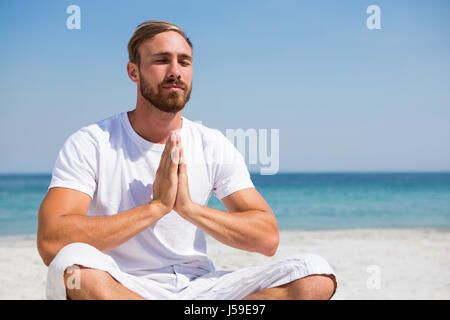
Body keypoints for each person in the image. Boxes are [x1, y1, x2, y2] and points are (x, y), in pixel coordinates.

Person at [37, 20, 337, 300]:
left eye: (184, 61)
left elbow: (267, 239)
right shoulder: (93, 142)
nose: (175, 71)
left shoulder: (211, 143)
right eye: (161, 60)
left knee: (315, 275)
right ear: (133, 72)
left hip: (200, 288)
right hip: (125, 286)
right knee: (72, 267)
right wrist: (156, 208)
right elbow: (52, 241)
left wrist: (189, 209)